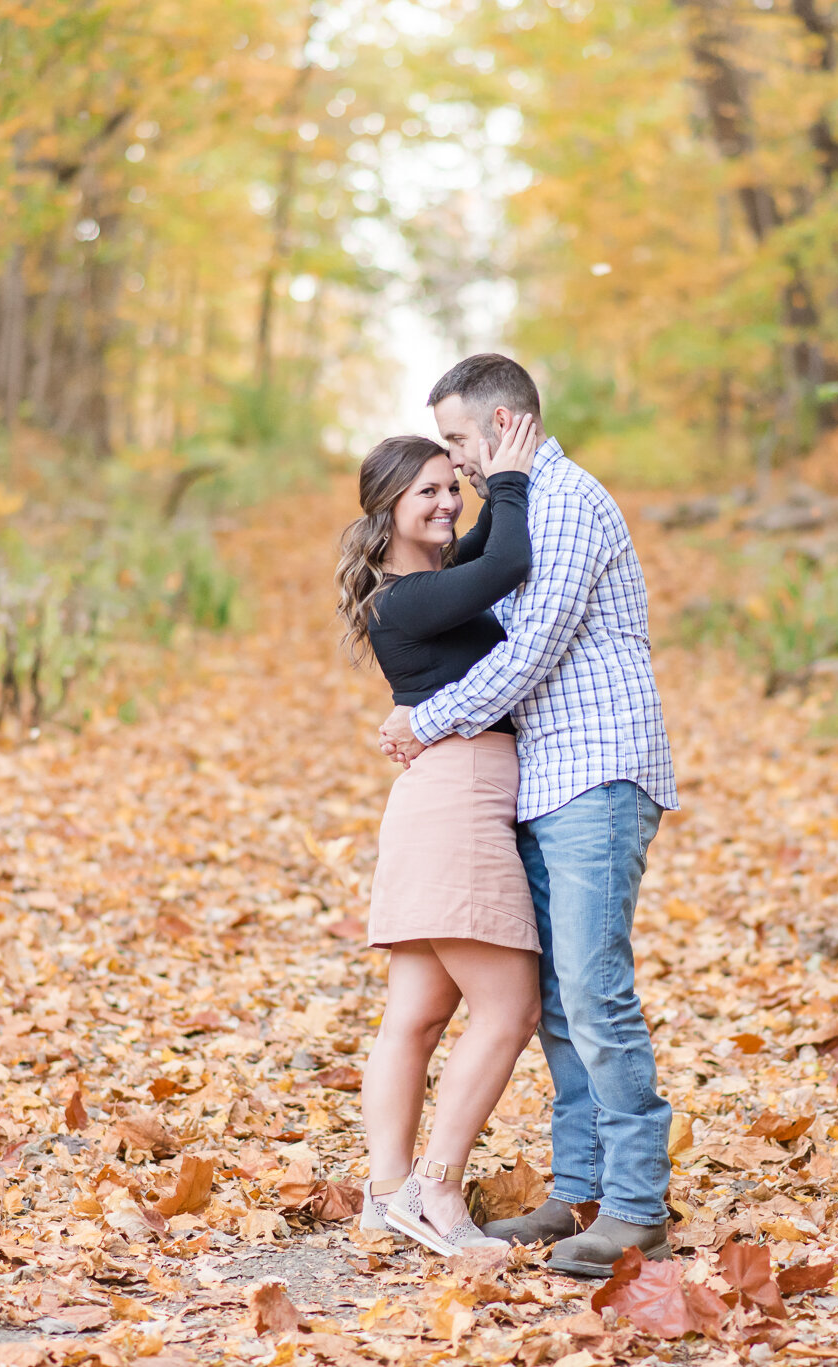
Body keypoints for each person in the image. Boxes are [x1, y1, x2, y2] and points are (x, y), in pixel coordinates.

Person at [378, 354, 679, 1278]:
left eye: (463, 440)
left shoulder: (567, 500)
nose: (459, 466)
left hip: (596, 773)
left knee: (593, 990)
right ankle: (579, 1189)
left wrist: (419, 722)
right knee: (556, 1002)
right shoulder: (522, 502)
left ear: (507, 423)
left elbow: (533, 650)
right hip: (546, 780)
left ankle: (634, 1205)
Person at [335, 415, 546, 1255]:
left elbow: (485, 541)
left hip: (438, 801)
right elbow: (509, 559)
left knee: (417, 1015)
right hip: (457, 801)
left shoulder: (422, 583)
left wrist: (491, 475)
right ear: (386, 508)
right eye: (426, 491)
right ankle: (437, 1192)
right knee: (509, 1009)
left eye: (448, 487)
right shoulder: (412, 594)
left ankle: (384, 1194)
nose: (446, 502)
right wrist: (517, 481)